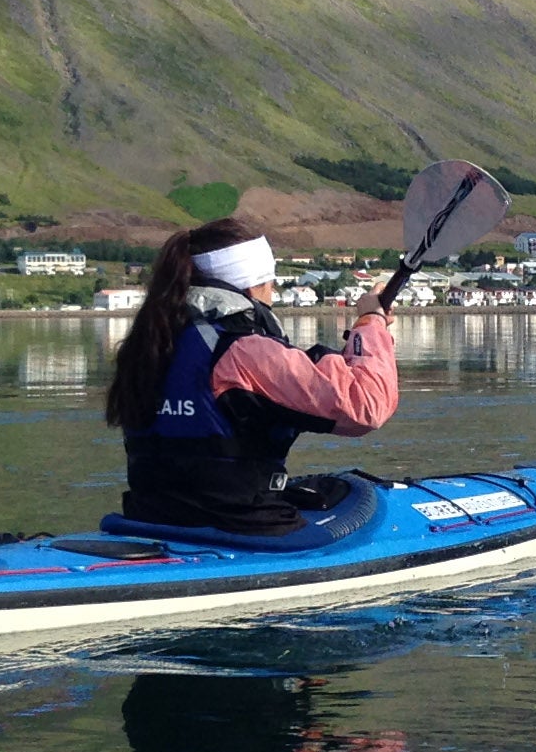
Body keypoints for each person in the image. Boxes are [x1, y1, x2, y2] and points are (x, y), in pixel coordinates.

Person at [103, 217, 398, 534]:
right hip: (243, 525)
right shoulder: (244, 351)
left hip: (150, 519)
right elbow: (365, 406)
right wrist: (371, 322)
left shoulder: (147, 345)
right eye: (270, 281)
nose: (272, 293)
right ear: (253, 284)